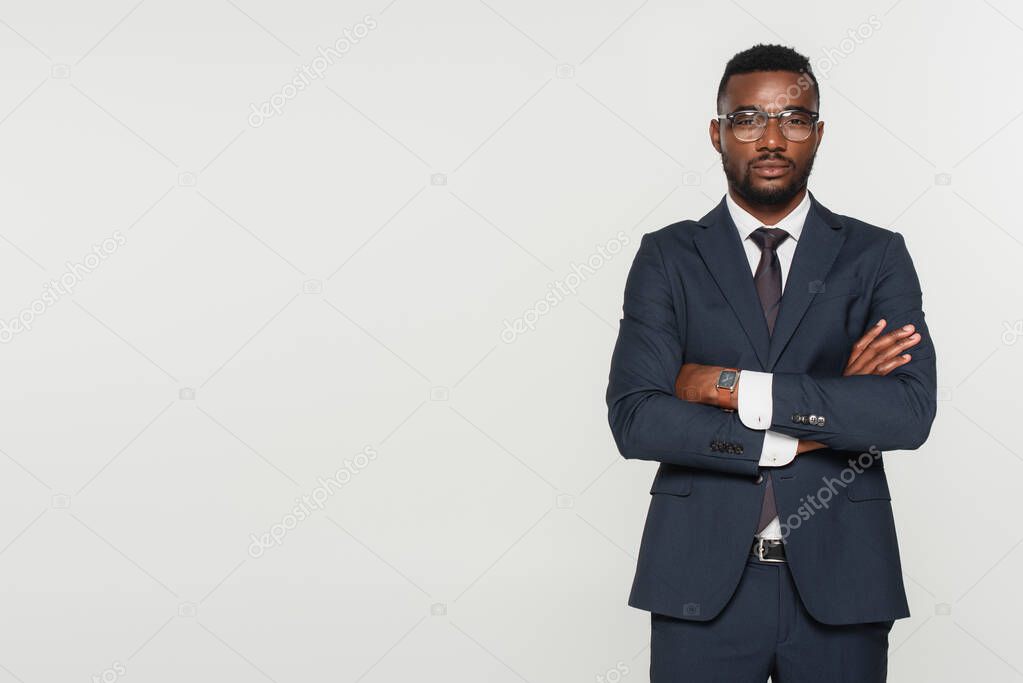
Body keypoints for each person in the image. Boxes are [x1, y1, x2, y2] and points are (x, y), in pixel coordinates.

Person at [605, 43, 936, 682]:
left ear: (818, 132)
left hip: (843, 580)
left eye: (794, 118)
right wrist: (824, 415)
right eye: (749, 118)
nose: (772, 138)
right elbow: (639, 419)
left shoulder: (876, 255)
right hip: (699, 583)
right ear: (717, 133)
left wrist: (730, 388)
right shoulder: (667, 257)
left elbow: (906, 414)